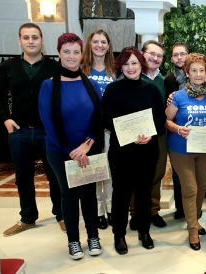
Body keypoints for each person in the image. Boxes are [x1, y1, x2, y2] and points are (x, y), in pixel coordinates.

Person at [38, 32, 103, 260]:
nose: (72, 56)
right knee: (68, 195)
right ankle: (73, 241)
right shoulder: (49, 86)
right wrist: (71, 151)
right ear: (59, 54)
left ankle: (93, 236)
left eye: (76, 51)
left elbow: (98, 119)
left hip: (88, 149)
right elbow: (49, 123)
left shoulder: (91, 83)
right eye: (67, 51)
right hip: (60, 150)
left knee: (89, 194)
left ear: (81, 54)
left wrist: (87, 145)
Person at [0, 23, 63, 236]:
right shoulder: (9, 66)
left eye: (35, 37)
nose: (31, 41)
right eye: (26, 37)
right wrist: (6, 119)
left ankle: (60, 214)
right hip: (19, 131)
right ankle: (27, 218)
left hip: (48, 131)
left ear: (42, 41)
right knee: (23, 177)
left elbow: (62, 98)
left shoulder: (54, 67)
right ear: (20, 41)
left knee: (55, 175)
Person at [101, 46, 166, 254]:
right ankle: (119, 234)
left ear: (141, 65)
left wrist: (150, 133)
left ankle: (144, 232)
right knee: (120, 194)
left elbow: (160, 117)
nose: (131, 67)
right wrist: (124, 132)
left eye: (135, 63)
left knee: (144, 192)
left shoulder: (151, 89)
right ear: (121, 66)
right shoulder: (112, 90)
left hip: (147, 150)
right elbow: (105, 117)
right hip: (121, 152)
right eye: (126, 63)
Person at [165, 53, 206, 251]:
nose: (198, 74)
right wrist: (178, 129)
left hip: (205, 148)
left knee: (201, 187)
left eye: (201, 70)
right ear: (187, 72)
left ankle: (195, 219)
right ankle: (192, 230)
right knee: (190, 188)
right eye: (194, 70)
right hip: (180, 149)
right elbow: (166, 121)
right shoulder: (178, 96)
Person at [126, 40, 168, 229]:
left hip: (158, 135)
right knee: (135, 174)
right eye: (151, 54)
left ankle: (153, 211)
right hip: (135, 136)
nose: (155, 58)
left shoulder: (163, 81)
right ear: (142, 54)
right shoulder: (132, 76)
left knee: (157, 173)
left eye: (159, 56)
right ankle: (135, 213)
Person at [80, 29, 116, 230]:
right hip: (89, 131)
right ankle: (98, 211)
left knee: (109, 171)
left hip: (110, 130)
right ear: (89, 44)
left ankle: (110, 208)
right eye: (96, 41)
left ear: (109, 45)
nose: (100, 45)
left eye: (104, 41)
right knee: (94, 172)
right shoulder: (81, 69)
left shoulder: (115, 71)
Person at [163, 42, 190, 220]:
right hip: (175, 131)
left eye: (183, 54)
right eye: (176, 55)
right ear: (172, 59)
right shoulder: (168, 80)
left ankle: (194, 208)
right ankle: (181, 209)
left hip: (196, 129)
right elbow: (164, 108)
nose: (179, 57)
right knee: (179, 173)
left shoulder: (198, 77)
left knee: (194, 173)